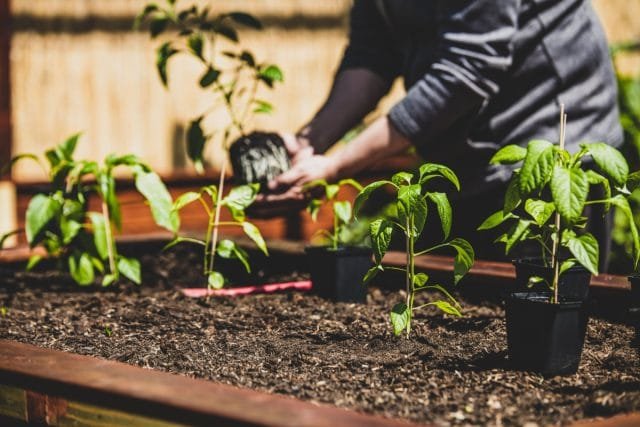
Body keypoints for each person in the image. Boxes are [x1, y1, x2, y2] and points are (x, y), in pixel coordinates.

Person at [257, 0, 622, 267]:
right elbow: (373, 52)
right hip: (467, 149)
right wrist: (310, 142)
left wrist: (336, 165)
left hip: (549, 136)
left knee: (541, 311)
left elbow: (466, 72)